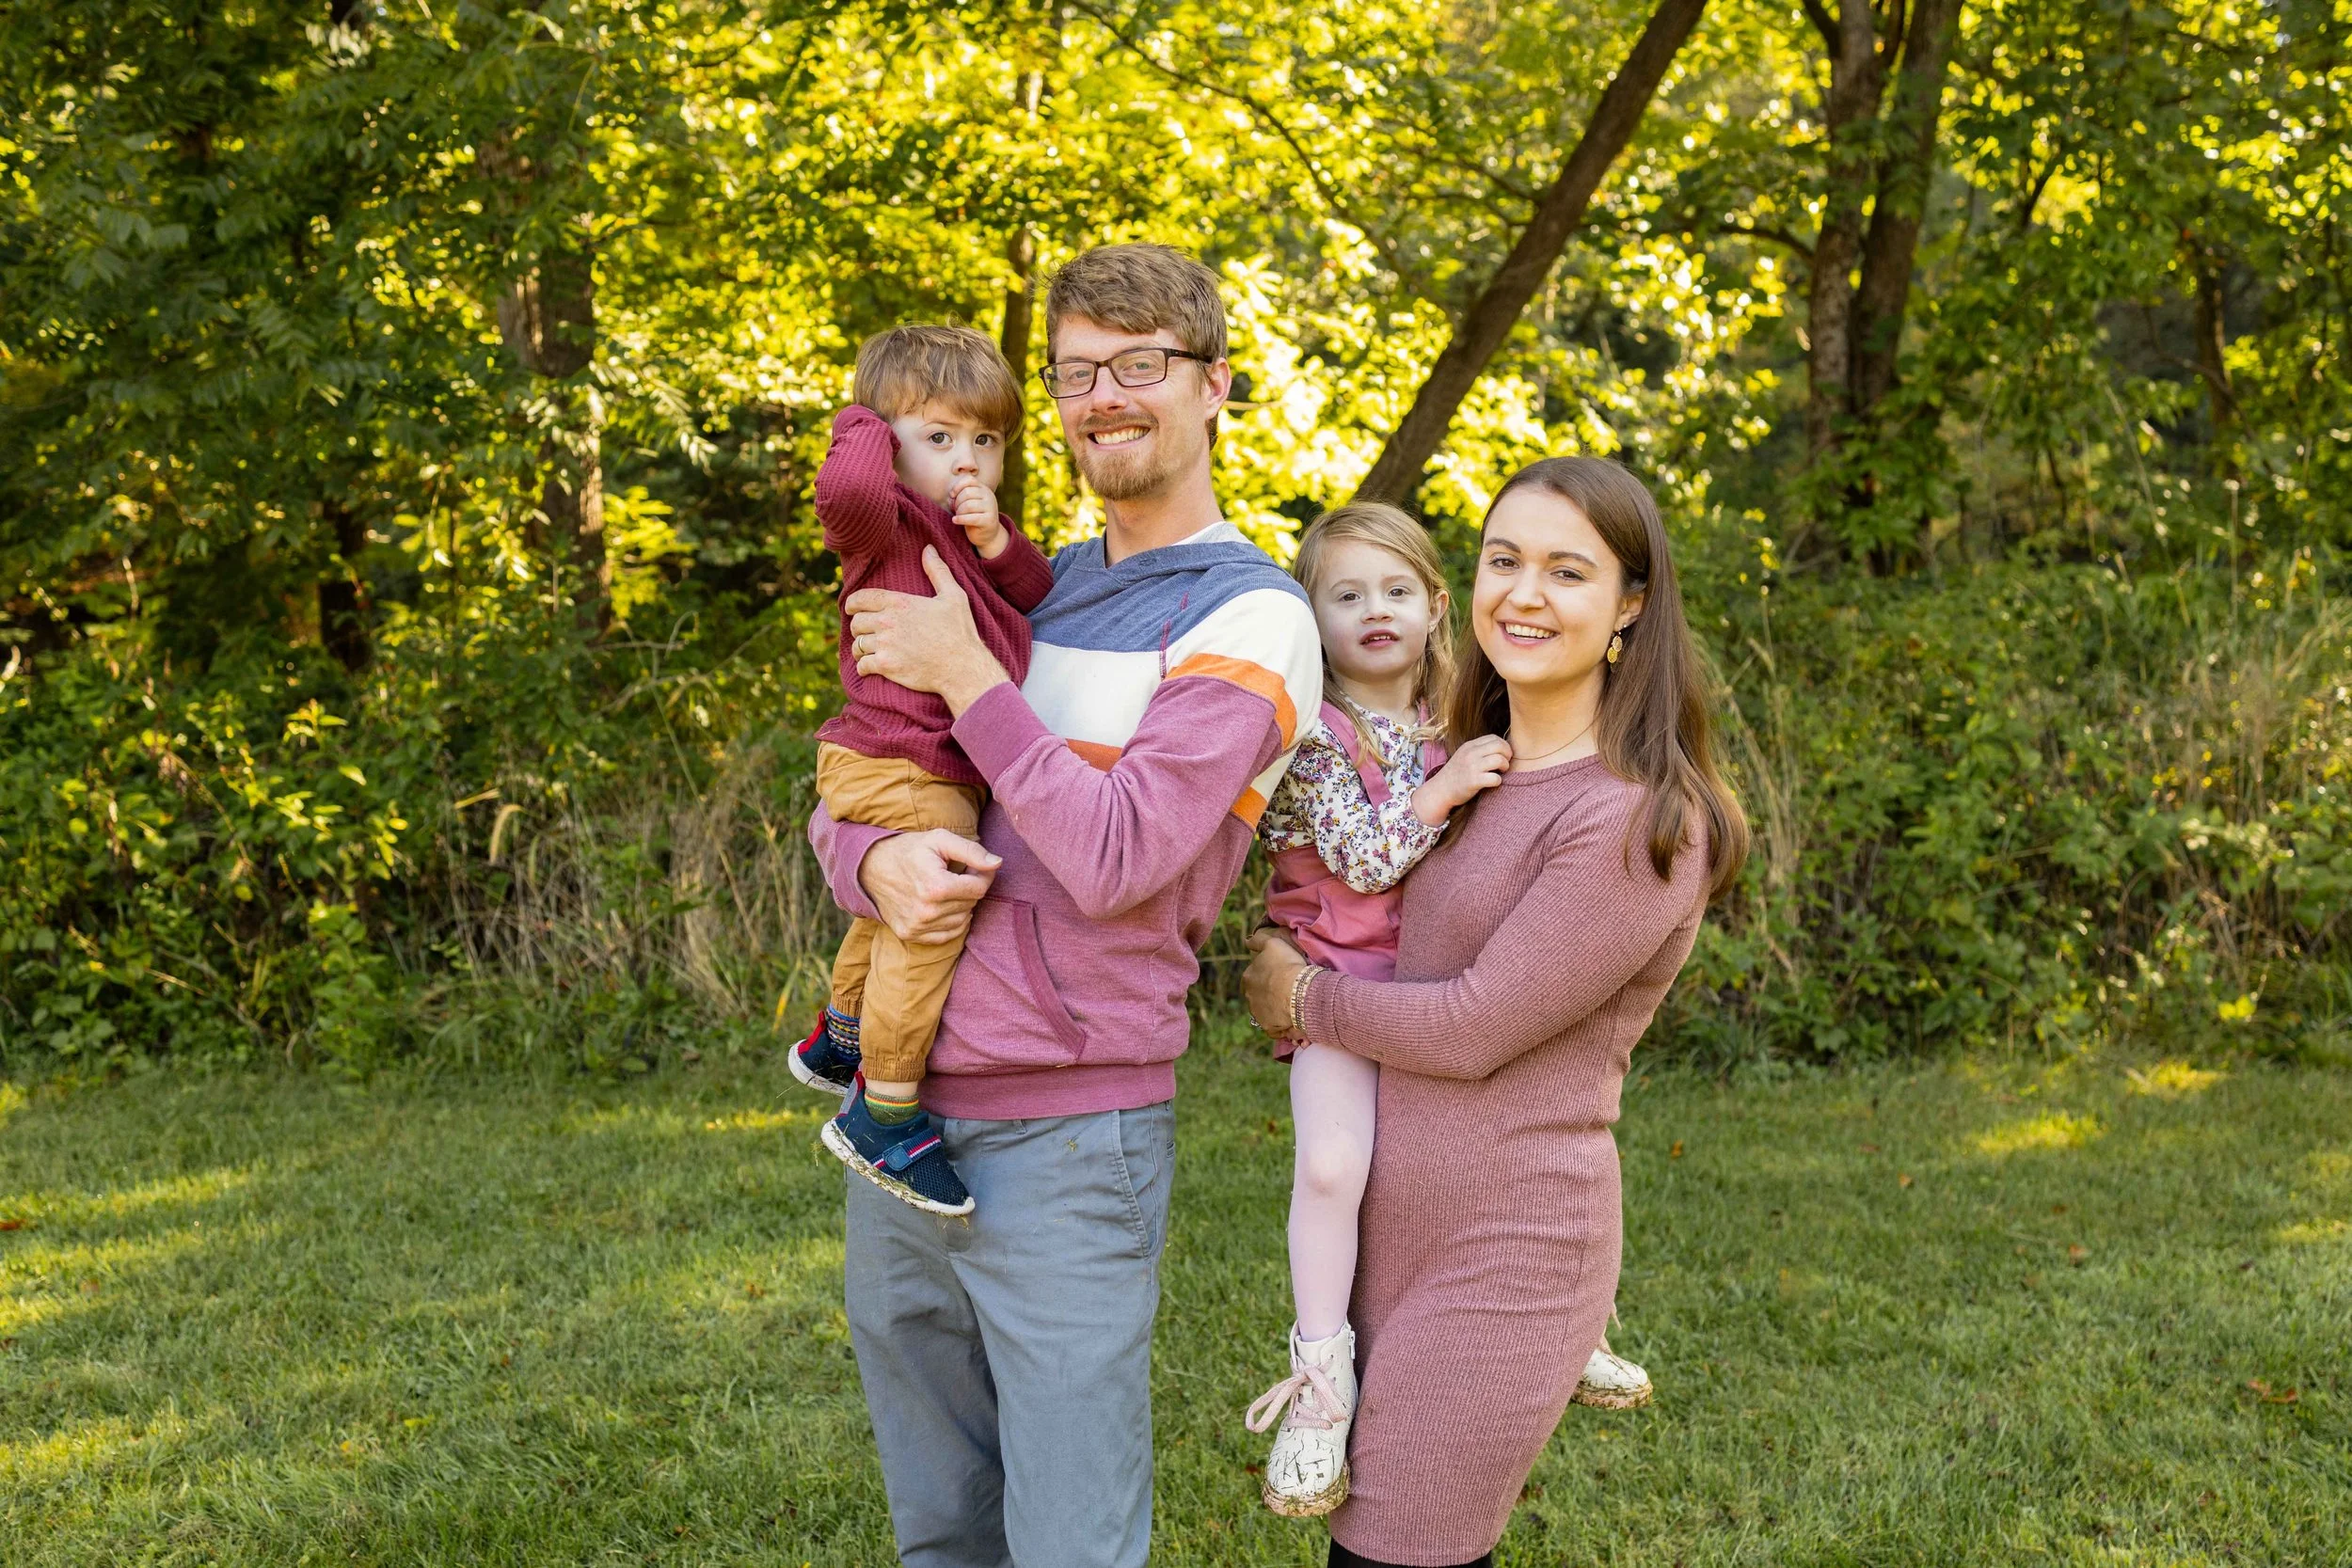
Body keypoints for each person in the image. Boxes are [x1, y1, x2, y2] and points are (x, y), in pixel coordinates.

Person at [807, 244, 1323, 1568]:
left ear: (1216, 388)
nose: (1105, 396)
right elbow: (862, 777)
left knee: (1071, 1545)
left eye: (1140, 366)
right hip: (901, 1117)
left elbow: (1116, 855)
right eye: (1077, 372)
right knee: (941, 1534)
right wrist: (869, 864)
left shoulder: (1249, 615)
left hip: (1070, 1139)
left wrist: (971, 672)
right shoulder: (1024, 582)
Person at [1243, 456, 1747, 1568]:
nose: (1522, 592)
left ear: (1628, 606)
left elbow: (1471, 1025)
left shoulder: (1635, 818)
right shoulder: (1459, 766)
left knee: (1396, 1552)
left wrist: (1301, 996)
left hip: (1505, 1251)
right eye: (1503, 560)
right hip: (1390, 1233)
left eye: (1567, 570)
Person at [1240, 501, 1509, 1516]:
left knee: (1480, 1158)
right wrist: (1443, 798)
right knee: (1331, 1162)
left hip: (1443, 989)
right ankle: (1320, 1378)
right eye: (1346, 594)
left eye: (1396, 589)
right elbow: (1362, 859)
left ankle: (1569, 1324)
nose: (1375, 610)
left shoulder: (1463, 723)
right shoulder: (1311, 738)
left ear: (1436, 604)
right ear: (1312, 616)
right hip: (1336, 993)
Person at [789, 326, 1056, 1218]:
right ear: (889, 440)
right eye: (939, 438)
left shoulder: (960, 524)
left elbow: (1032, 594)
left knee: (895, 903)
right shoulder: (886, 519)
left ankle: (842, 1035)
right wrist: (862, 422)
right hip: (898, 756)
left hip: (923, 762)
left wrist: (998, 537)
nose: (967, 459)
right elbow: (848, 490)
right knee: (930, 922)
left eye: (985, 440)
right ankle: (887, 1112)